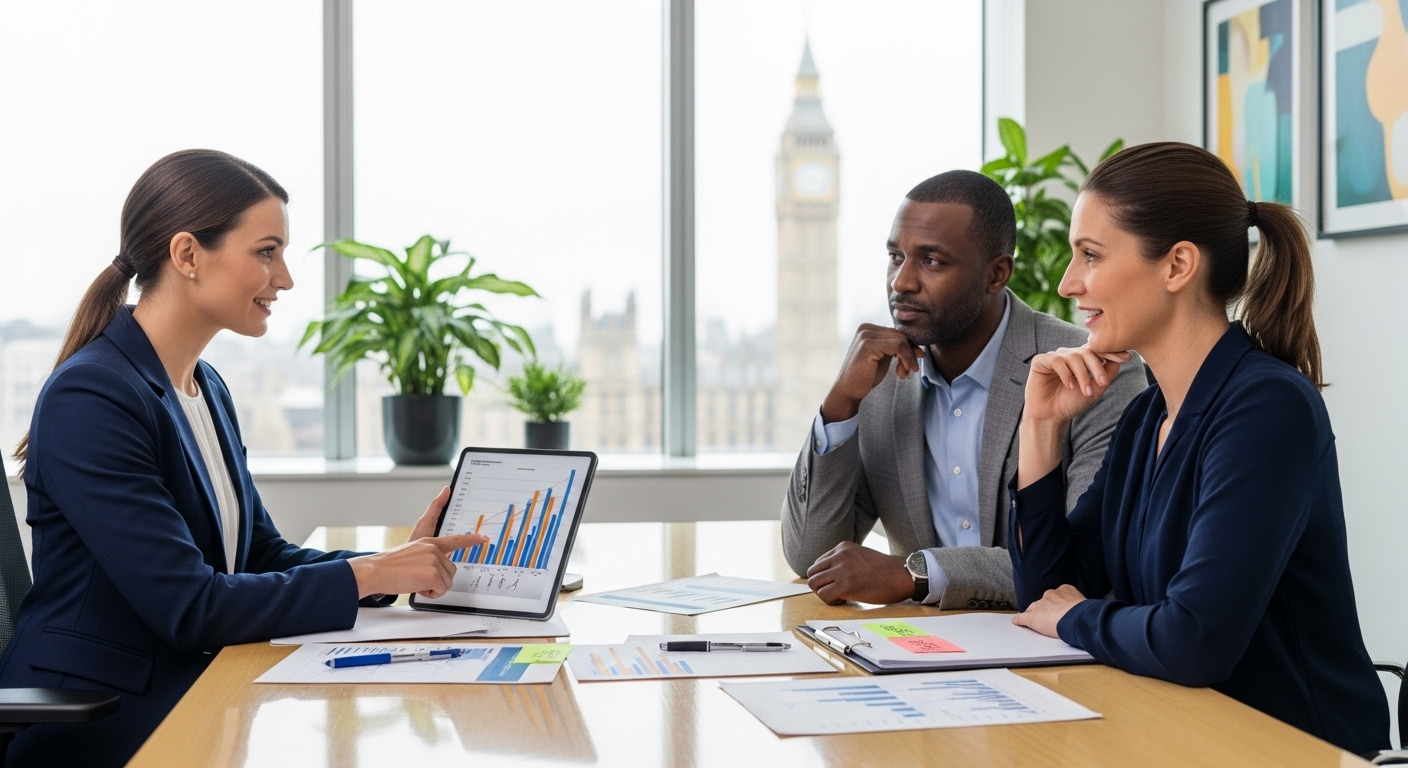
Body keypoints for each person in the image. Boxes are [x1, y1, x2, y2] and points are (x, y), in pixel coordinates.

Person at [0, 150, 489, 767]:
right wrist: (370, 577)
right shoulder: (92, 395)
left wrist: (392, 566)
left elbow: (259, 556)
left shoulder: (204, 388)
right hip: (102, 717)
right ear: (187, 255)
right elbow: (191, 607)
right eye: (266, 251)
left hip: (193, 686)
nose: (284, 278)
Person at [1007, 142, 1389, 754]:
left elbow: (1195, 640)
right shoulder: (1147, 416)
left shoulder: (1268, 409)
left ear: (1178, 265)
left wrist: (1077, 618)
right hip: (1181, 734)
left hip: (1293, 748)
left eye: (1091, 255)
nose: (1067, 282)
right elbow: (1045, 591)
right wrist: (1041, 427)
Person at [783, 170, 1145, 609]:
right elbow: (810, 556)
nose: (902, 282)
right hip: (922, 650)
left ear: (996, 274)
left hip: (1057, 653)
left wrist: (916, 572)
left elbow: (1081, 565)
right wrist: (840, 404)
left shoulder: (1092, 371)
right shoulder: (879, 383)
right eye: (896, 257)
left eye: (931, 261)